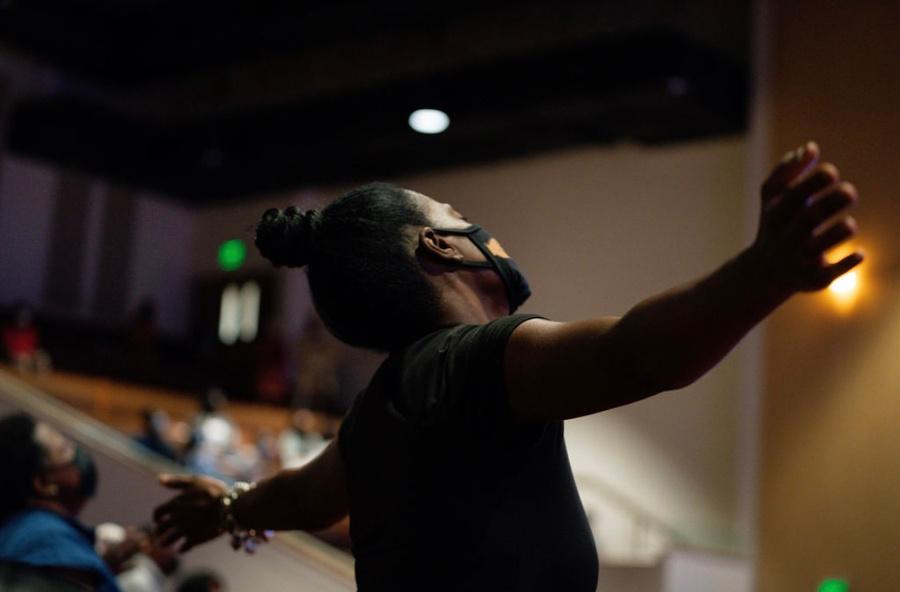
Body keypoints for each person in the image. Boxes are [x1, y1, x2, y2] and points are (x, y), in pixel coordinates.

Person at [152, 142, 862, 591]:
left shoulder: (378, 410)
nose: (482, 229)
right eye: (456, 213)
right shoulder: (484, 358)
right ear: (443, 246)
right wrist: (765, 270)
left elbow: (305, 497)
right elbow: (636, 353)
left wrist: (227, 507)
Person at [0, 413, 123, 591]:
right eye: (65, 449)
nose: (77, 453)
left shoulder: (23, 530)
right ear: (44, 483)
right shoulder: (49, 540)